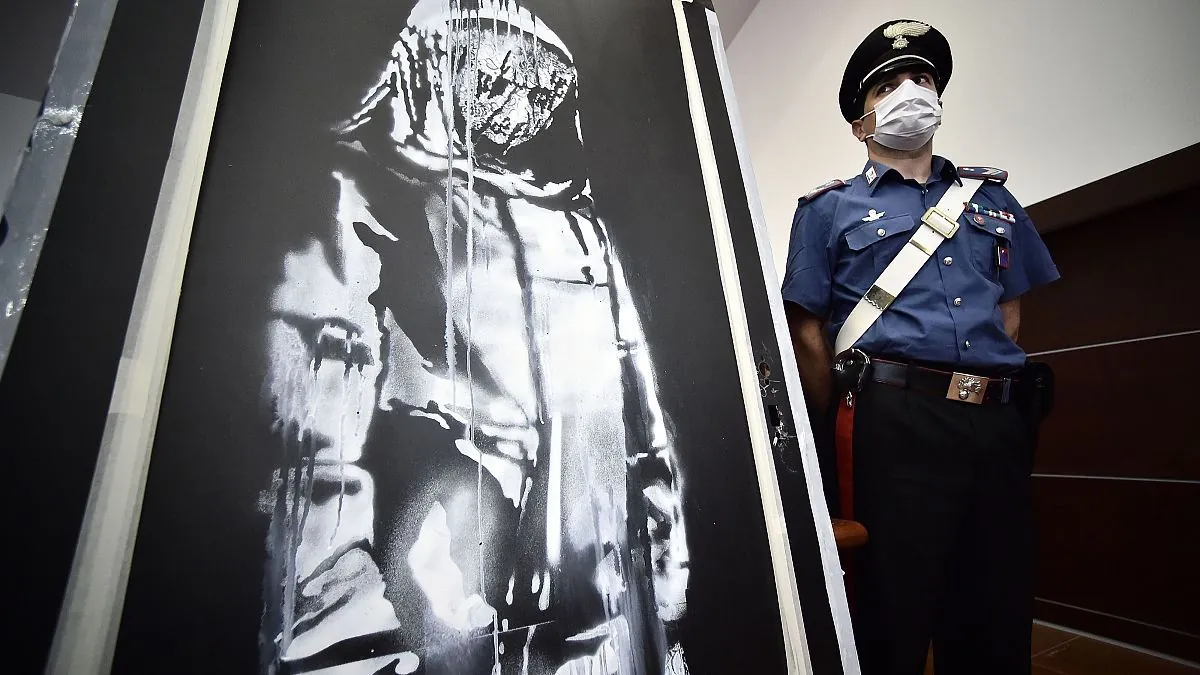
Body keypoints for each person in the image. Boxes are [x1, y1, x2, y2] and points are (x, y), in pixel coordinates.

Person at [258, 1, 691, 673]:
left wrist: (663, 577)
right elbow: (321, 443)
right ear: (428, 66)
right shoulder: (358, 196)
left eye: (537, 83)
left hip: (588, 615)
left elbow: (639, 408)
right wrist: (355, 647)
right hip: (437, 595)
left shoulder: (579, 232)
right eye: (489, 72)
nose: (516, 100)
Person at [781, 18, 1060, 675]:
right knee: (890, 609)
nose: (910, 88)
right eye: (888, 83)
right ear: (860, 122)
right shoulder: (828, 209)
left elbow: (1009, 312)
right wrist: (841, 419)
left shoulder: (992, 199)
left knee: (995, 605)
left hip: (996, 421)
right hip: (892, 423)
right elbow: (807, 333)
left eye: (922, 77)